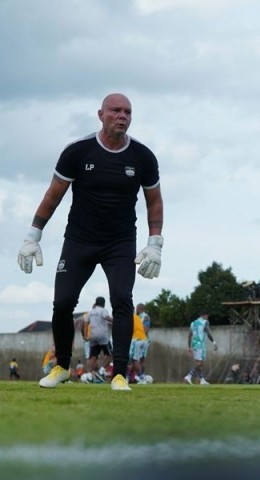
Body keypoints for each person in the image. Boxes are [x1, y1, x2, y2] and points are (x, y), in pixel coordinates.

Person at [18, 93, 164, 392]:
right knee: (62, 303)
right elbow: (53, 195)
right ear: (100, 115)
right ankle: (61, 367)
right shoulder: (78, 152)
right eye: (115, 110)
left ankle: (120, 375)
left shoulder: (142, 157)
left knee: (122, 301)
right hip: (79, 240)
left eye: (127, 111)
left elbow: (154, 201)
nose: (122, 116)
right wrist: (33, 235)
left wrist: (155, 243)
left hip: (120, 242)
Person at [84, 296, 114, 383]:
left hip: (92, 336)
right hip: (103, 336)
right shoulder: (103, 310)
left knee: (92, 356)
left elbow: (85, 322)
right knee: (110, 355)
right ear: (103, 303)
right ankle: (102, 370)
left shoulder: (91, 312)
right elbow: (107, 318)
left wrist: (86, 335)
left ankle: (88, 374)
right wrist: (116, 320)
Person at [184, 312, 218, 385]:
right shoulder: (205, 322)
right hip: (201, 344)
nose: (207, 317)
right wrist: (214, 342)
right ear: (204, 315)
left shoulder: (193, 323)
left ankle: (202, 379)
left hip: (194, 344)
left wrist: (189, 347)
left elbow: (189, 335)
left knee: (199, 363)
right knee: (200, 363)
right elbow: (208, 332)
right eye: (207, 315)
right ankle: (189, 376)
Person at [127, 310, 149, 384]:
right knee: (136, 360)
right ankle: (128, 377)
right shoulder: (137, 317)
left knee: (134, 360)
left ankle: (142, 378)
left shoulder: (128, 317)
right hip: (143, 339)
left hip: (136, 340)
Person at [135, 303, 152, 376]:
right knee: (137, 359)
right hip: (137, 340)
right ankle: (138, 376)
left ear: (138, 309)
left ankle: (142, 376)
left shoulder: (145, 317)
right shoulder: (137, 317)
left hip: (143, 340)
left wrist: (141, 338)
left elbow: (146, 329)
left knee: (141, 359)